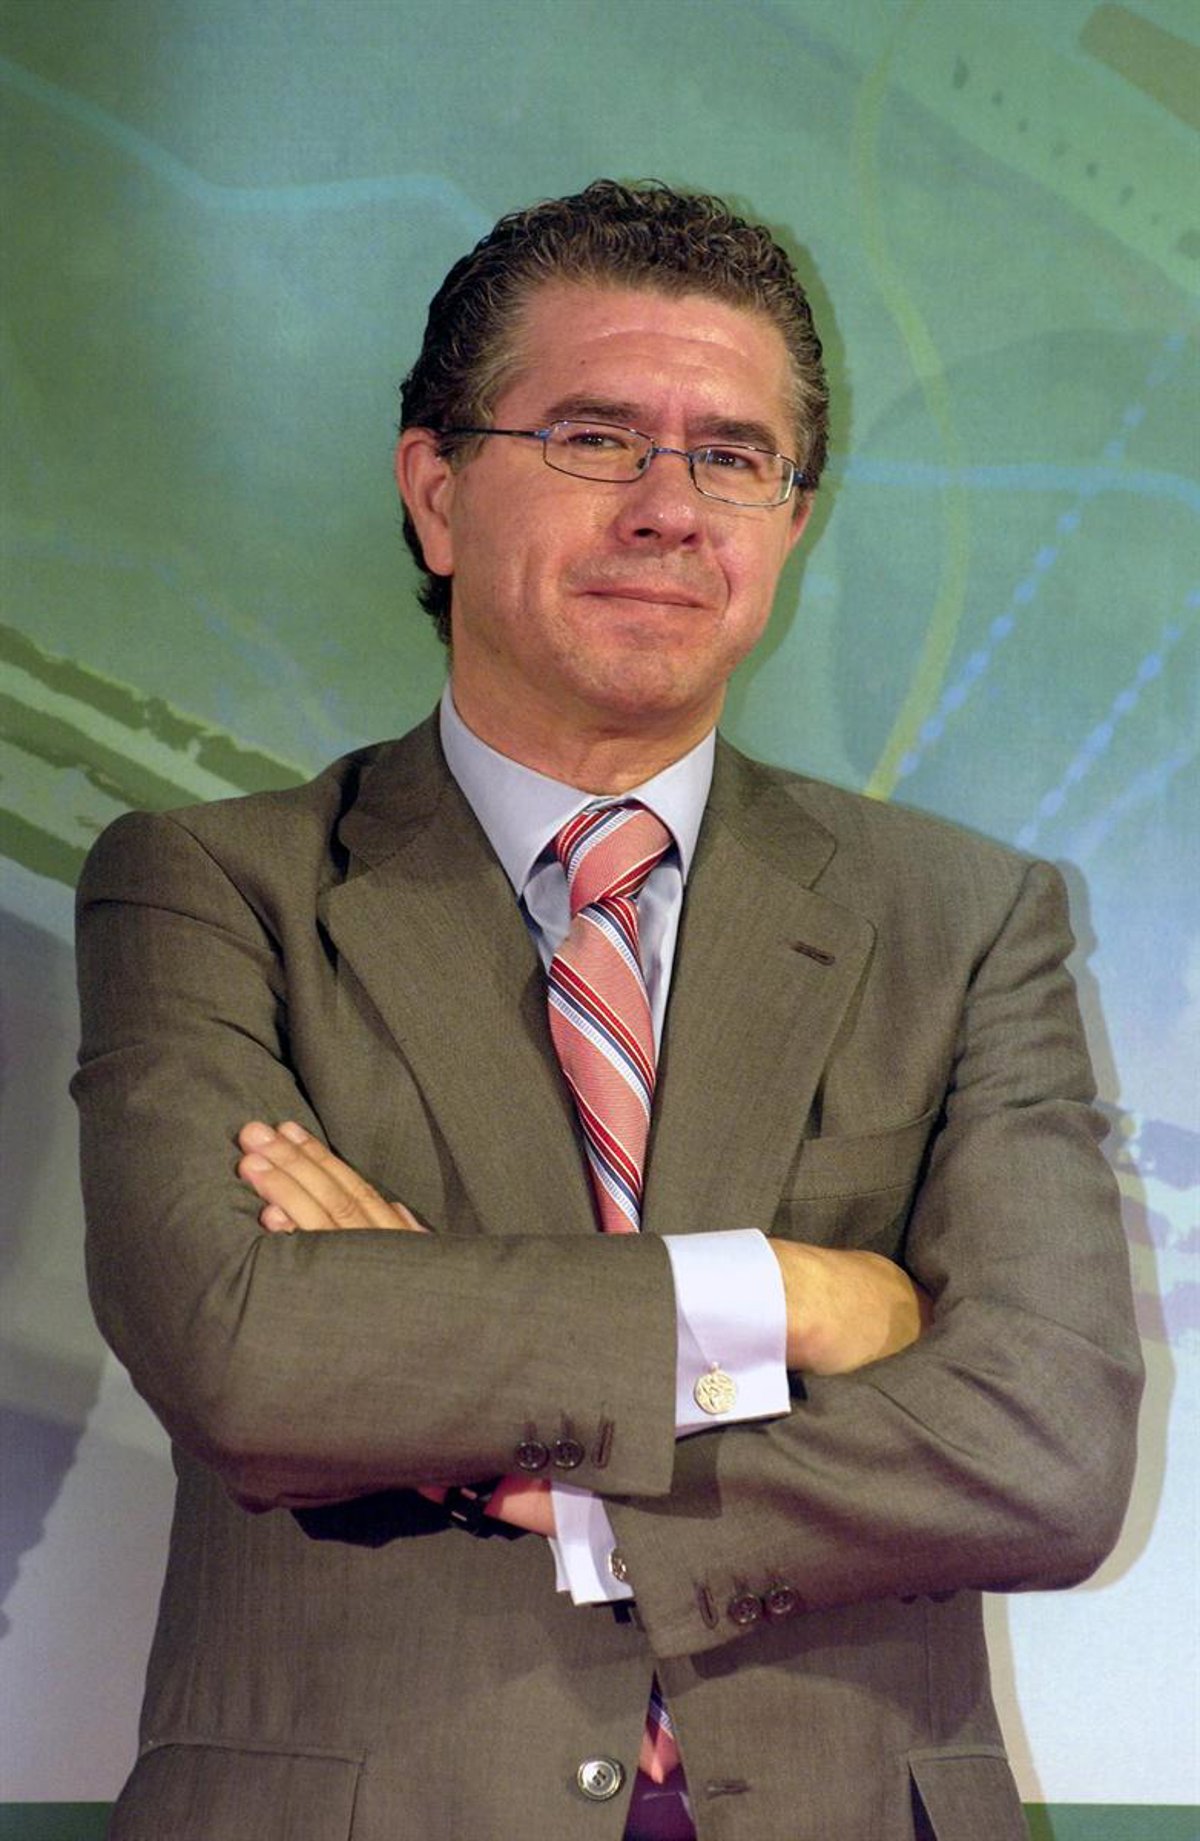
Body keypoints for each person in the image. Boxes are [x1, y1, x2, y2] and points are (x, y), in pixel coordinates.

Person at [73, 179, 1142, 1841]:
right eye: (594, 437)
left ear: (791, 519)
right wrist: (795, 1296)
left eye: (733, 456)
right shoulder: (215, 889)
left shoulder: (968, 918)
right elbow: (248, 1353)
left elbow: (1045, 1449)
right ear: (437, 494)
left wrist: (539, 1468)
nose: (670, 508)